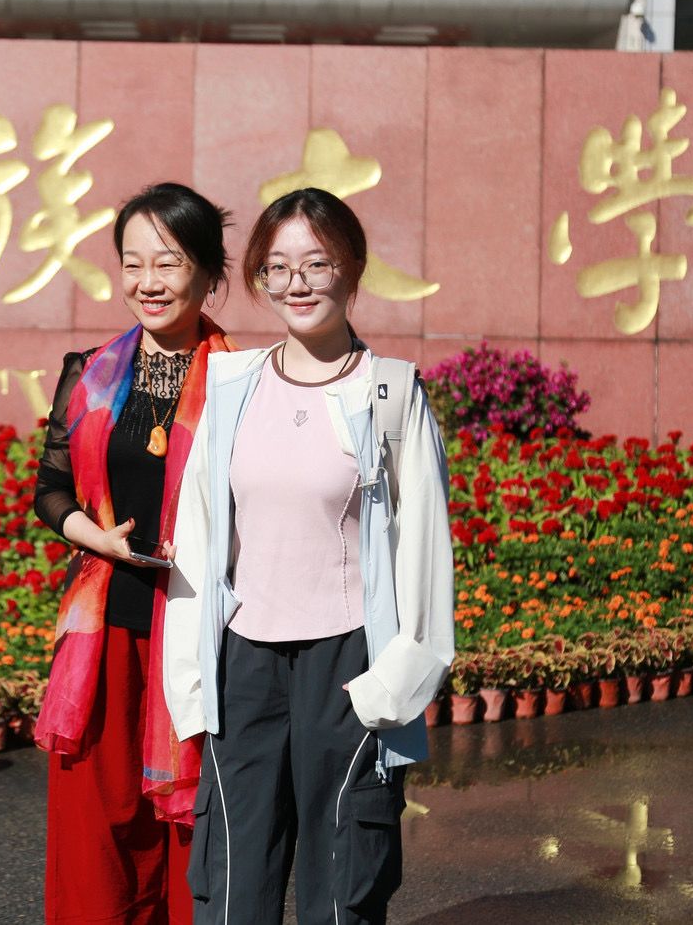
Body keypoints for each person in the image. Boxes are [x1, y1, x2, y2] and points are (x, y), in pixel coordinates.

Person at [163, 188, 454, 925]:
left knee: (343, 888)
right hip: (244, 667)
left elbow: (425, 550)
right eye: (277, 266)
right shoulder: (233, 385)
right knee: (231, 888)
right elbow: (200, 536)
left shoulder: (389, 394)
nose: (296, 283)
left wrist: (388, 689)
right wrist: (192, 680)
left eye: (316, 264)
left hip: (347, 662)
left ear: (351, 268)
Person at [33, 182, 237, 925]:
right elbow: (51, 491)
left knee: (193, 824)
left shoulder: (244, 382)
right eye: (132, 263)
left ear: (209, 272)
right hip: (107, 633)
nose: (147, 281)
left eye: (168, 262)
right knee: (97, 828)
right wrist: (98, 538)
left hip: (203, 630)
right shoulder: (90, 372)